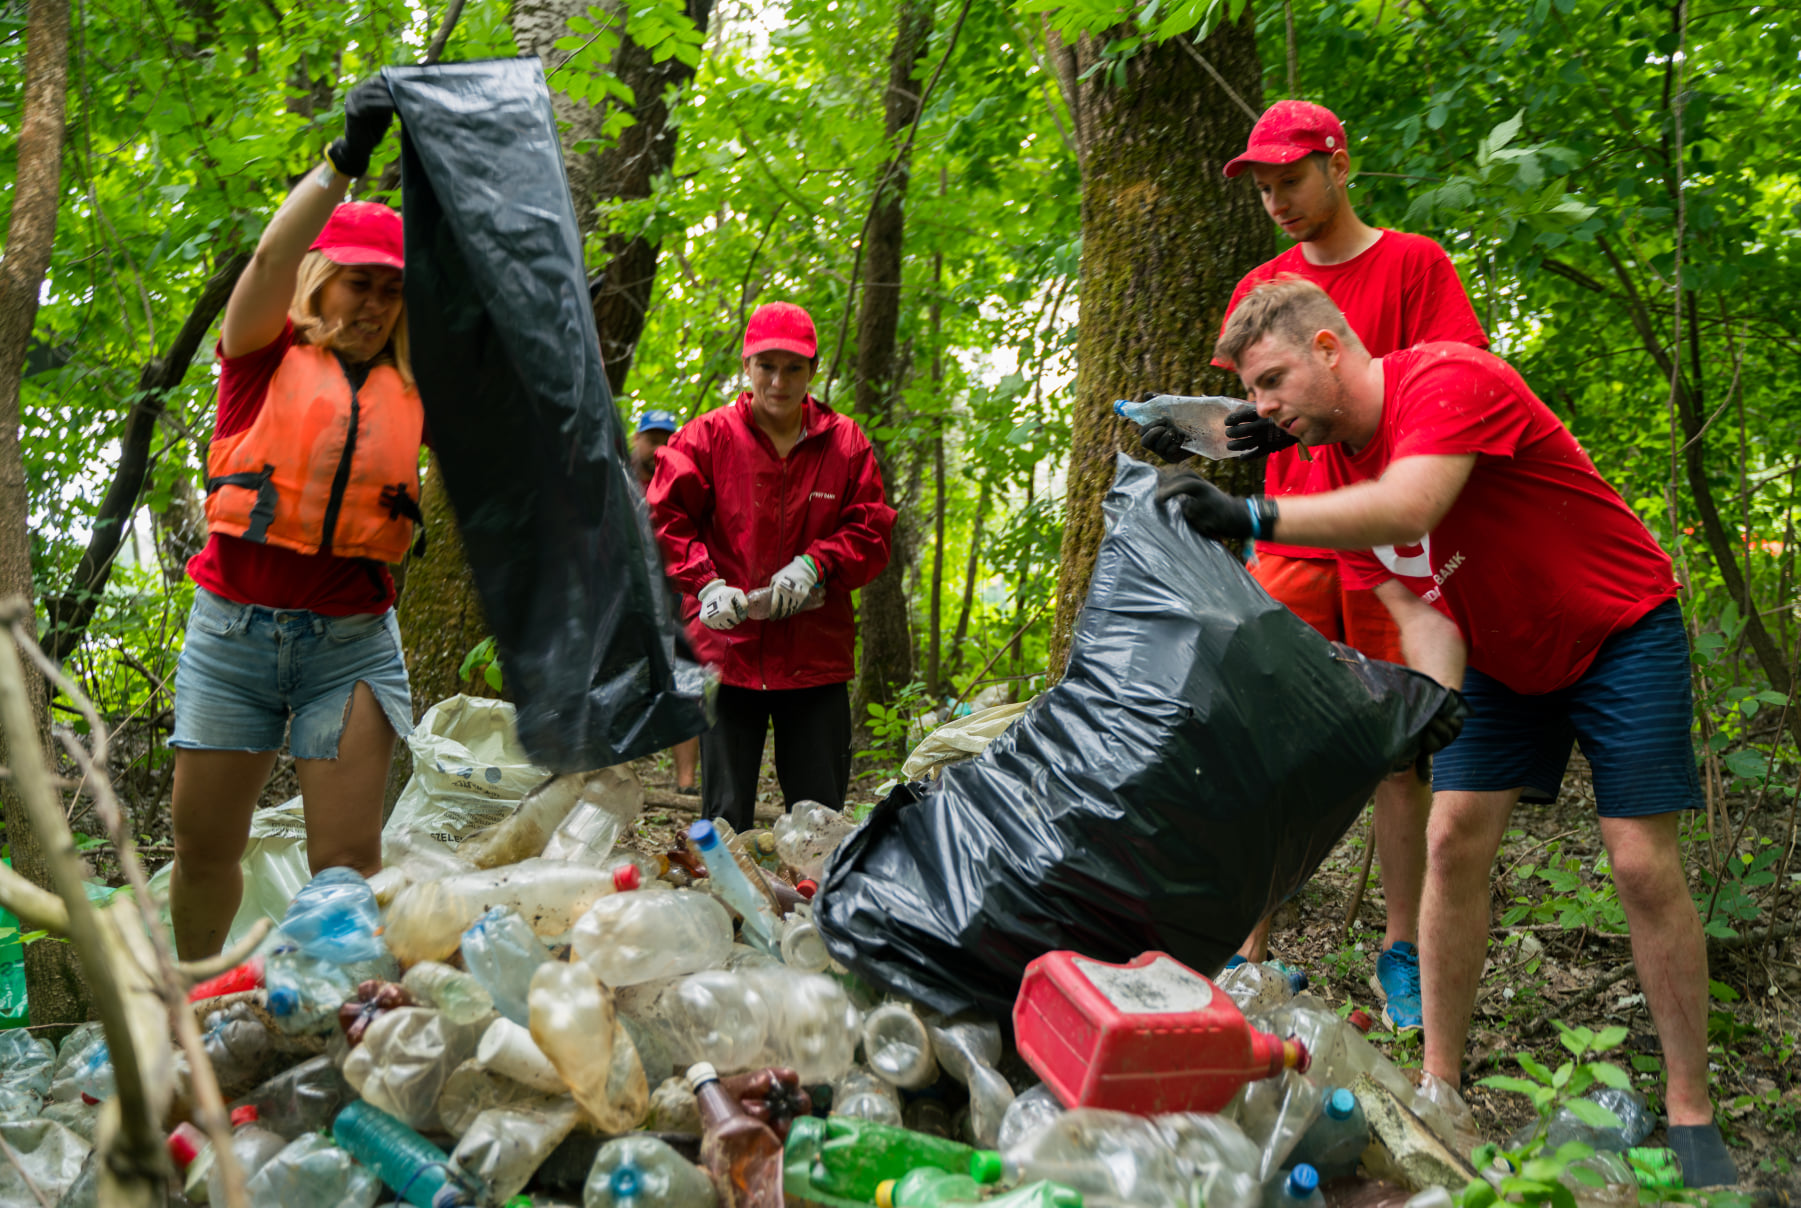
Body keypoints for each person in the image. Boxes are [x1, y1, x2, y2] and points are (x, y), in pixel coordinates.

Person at [1158, 277, 1735, 1187]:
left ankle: (1691, 1113)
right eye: (1250, 394)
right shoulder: (1340, 474)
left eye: (1269, 383)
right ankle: (1441, 1091)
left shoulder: (1446, 381)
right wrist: (1437, 698)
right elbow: (1415, 604)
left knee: (1636, 860)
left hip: (1618, 626)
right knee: (1452, 833)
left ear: (1326, 349)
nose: (1261, 412)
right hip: (1501, 656)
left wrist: (1255, 516)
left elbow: (1415, 506)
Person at [1142, 100, 1487, 1032]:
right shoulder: (1263, 281)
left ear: (1339, 164)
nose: (1277, 202)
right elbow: (1243, 402)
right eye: (1262, 190)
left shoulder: (1414, 265)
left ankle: (1400, 953)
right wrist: (1231, 425)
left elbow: (1448, 379)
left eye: (1290, 181)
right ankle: (1246, 948)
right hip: (1291, 535)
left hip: (1388, 538)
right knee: (1263, 738)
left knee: (1399, 750)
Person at [167, 79, 421, 960]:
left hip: (348, 647)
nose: (375, 305)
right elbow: (270, 258)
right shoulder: (259, 356)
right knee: (204, 850)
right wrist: (342, 162)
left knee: (345, 864)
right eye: (360, 285)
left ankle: (334, 1020)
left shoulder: (414, 381)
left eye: (392, 291)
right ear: (322, 281)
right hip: (231, 637)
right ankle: (194, 1008)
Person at [648, 303, 895, 832]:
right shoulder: (706, 438)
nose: (778, 381)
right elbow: (663, 520)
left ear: (813, 370)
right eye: (767, 365)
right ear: (746, 365)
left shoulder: (845, 443)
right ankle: (728, 910)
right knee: (725, 818)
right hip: (727, 651)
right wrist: (704, 583)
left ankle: (814, 908)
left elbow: (871, 530)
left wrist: (816, 565)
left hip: (814, 654)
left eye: (793, 368)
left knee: (819, 818)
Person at [632, 407, 700, 795]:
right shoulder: (617, 479)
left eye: (667, 439)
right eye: (652, 438)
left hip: (676, 597)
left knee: (687, 684)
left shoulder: (682, 482)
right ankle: (614, 776)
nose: (659, 446)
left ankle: (686, 782)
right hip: (627, 600)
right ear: (637, 439)